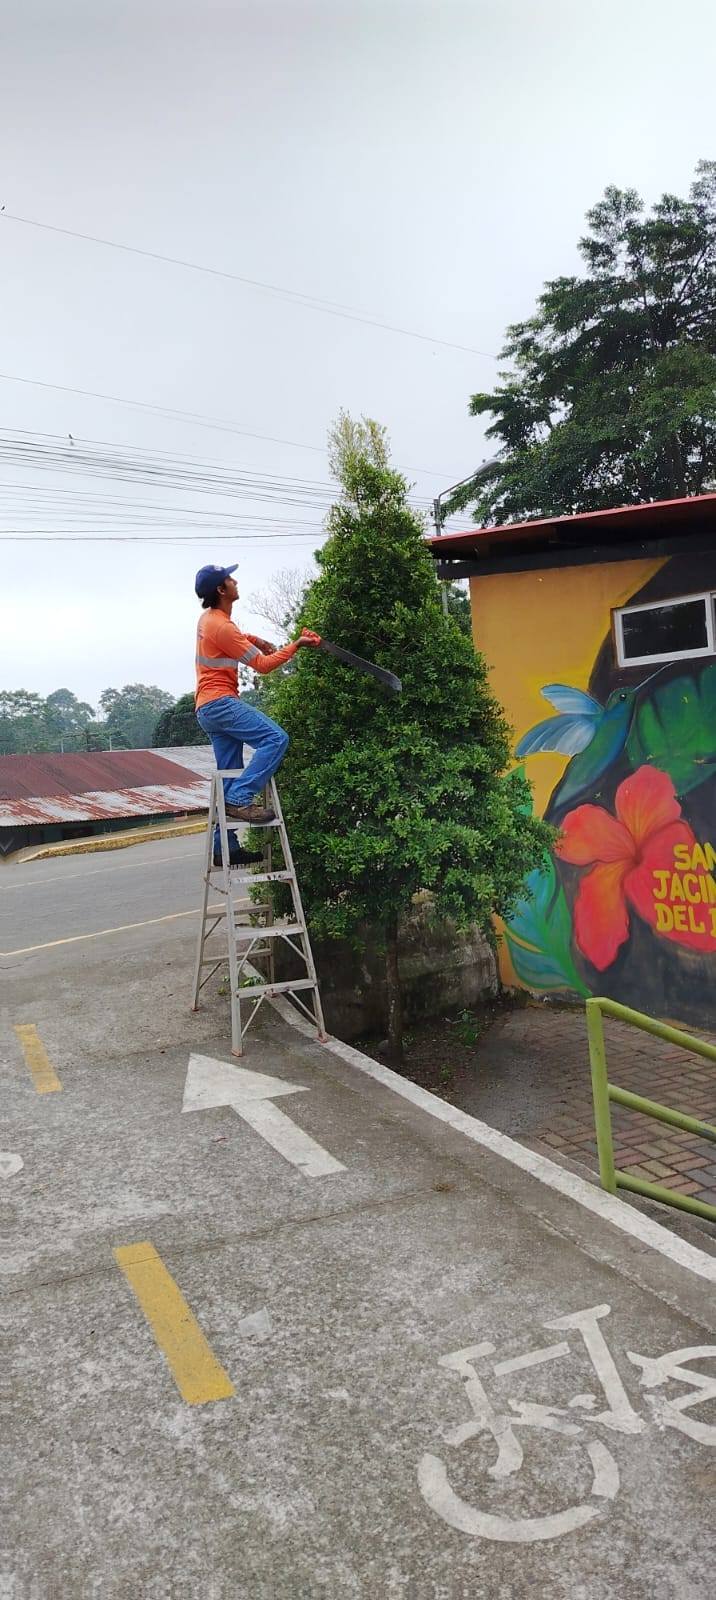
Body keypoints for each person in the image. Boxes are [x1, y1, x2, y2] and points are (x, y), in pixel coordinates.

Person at [194, 563, 320, 865]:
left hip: (206, 708)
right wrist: (296, 645)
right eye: (230, 579)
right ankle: (241, 799)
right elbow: (263, 666)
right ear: (221, 590)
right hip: (221, 703)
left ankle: (224, 849)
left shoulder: (210, 619)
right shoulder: (222, 626)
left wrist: (257, 640)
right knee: (276, 739)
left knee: (229, 772)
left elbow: (233, 637)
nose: (235, 581)